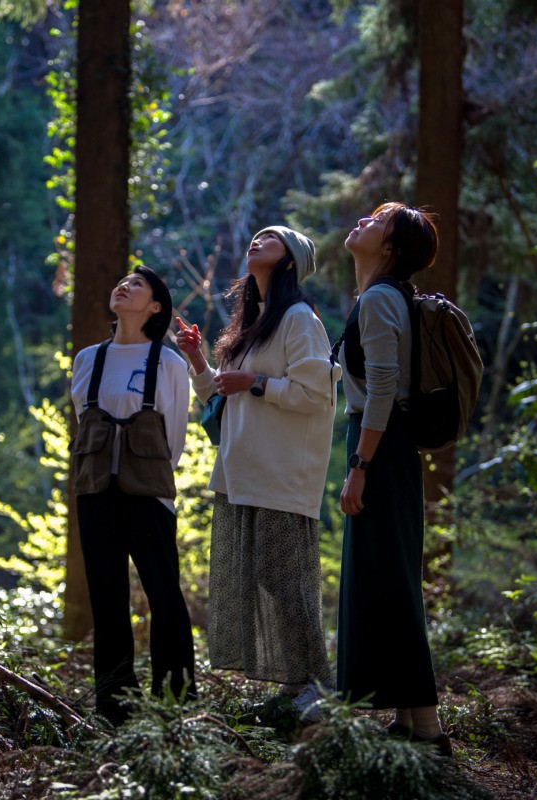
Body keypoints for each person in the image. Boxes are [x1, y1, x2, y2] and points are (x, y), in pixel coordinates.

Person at [175, 226, 336, 721]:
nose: (257, 239)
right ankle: (293, 683)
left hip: (282, 471)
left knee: (286, 574)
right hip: (244, 470)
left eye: (272, 238)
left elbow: (317, 394)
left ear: (292, 260)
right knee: (268, 572)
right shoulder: (254, 323)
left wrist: (257, 381)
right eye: (257, 235)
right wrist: (198, 359)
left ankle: (316, 687)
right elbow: (219, 400)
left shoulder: (298, 319)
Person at [336, 202, 451, 755]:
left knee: (393, 585)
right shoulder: (378, 298)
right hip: (384, 449)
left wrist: (359, 468)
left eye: (376, 223)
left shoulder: (381, 300)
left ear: (389, 249)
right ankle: (411, 725)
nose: (362, 222)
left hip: (381, 450)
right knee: (386, 581)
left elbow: (383, 391)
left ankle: (428, 729)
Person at [70, 266, 196, 726]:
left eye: (137, 284)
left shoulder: (168, 363)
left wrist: (151, 482)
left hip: (149, 496)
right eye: (120, 280)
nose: (123, 285)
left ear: (156, 306)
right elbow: (87, 423)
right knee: (107, 600)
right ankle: (114, 710)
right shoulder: (87, 359)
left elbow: (174, 440)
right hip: (95, 494)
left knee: (164, 597)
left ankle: (174, 706)